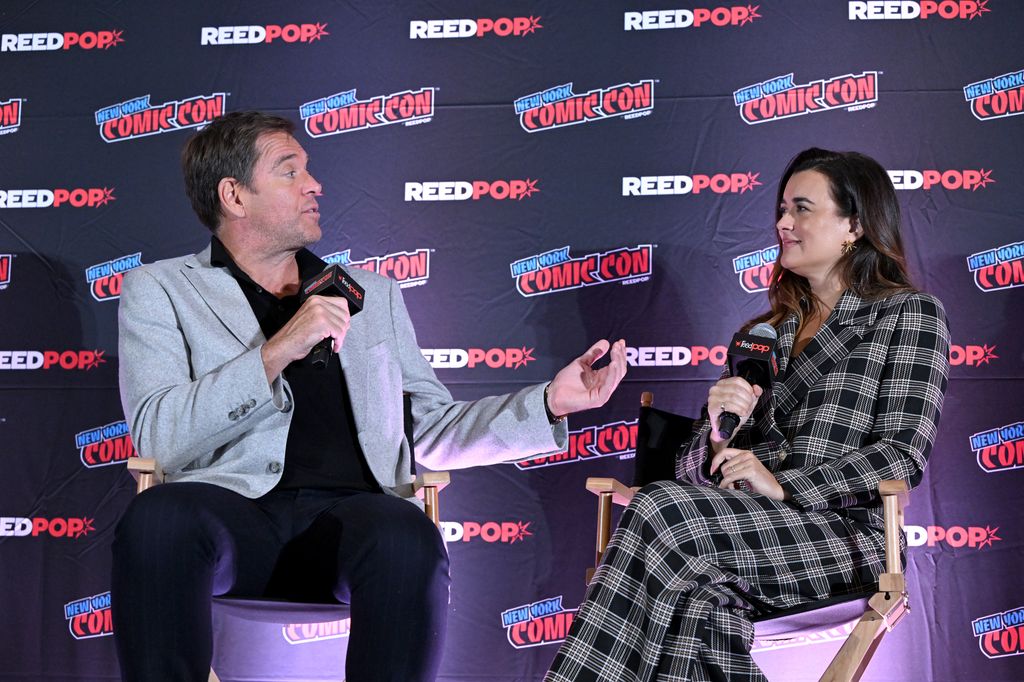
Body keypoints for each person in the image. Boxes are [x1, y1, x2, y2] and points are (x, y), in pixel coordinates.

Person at [111, 111, 627, 682]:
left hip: (350, 526)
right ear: (234, 194)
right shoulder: (162, 289)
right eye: (290, 171)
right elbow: (158, 433)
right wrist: (278, 349)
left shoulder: (372, 293)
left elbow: (429, 429)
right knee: (157, 518)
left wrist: (551, 402)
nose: (314, 184)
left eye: (308, 169)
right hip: (230, 520)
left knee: (406, 534)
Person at [545, 147, 950, 681]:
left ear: (854, 224)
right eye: (782, 209)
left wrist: (785, 487)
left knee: (663, 513)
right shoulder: (761, 334)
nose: (783, 223)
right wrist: (716, 435)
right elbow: (697, 473)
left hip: (846, 537)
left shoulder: (907, 315)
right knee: (699, 613)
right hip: (737, 532)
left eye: (802, 209)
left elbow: (902, 455)